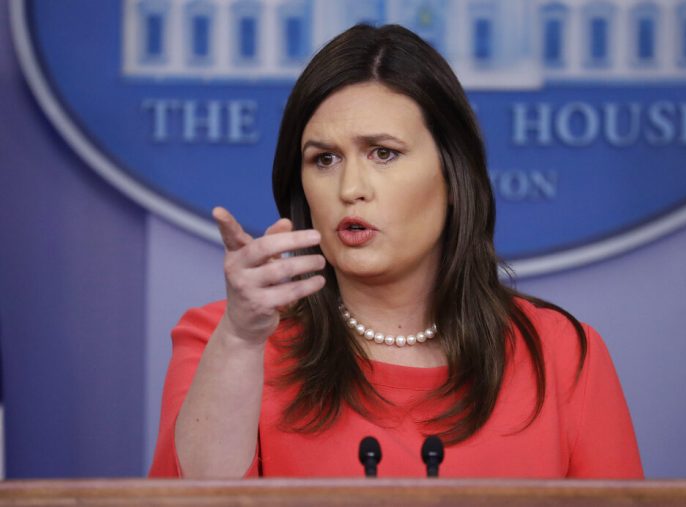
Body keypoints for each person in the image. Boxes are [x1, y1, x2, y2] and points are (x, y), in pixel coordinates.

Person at [149, 24, 643, 479]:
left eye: (383, 153)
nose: (350, 188)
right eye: (324, 159)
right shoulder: (225, 340)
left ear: (453, 176)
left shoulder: (560, 355)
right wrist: (239, 340)